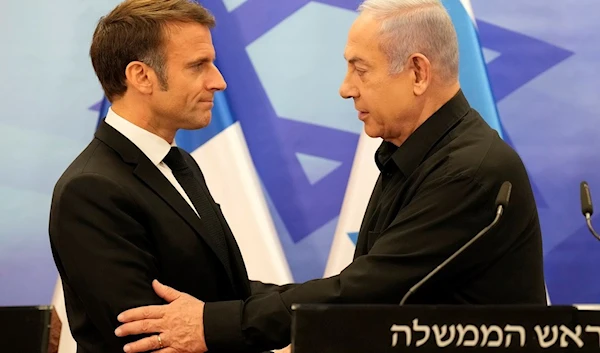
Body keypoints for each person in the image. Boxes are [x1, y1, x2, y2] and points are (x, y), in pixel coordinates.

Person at [114, 0, 547, 352]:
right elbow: (359, 290)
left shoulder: (469, 172)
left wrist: (214, 324)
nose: (346, 87)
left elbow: (363, 296)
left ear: (417, 72)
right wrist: (218, 298)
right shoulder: (415, 153)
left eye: (360, 69)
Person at [48, 1, 273, 352]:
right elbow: (147, 339)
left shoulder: (180, 162)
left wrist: (313, 309)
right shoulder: (90, 189)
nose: (218, 81)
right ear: (141, 76)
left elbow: (226, 290)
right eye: (199, 66)